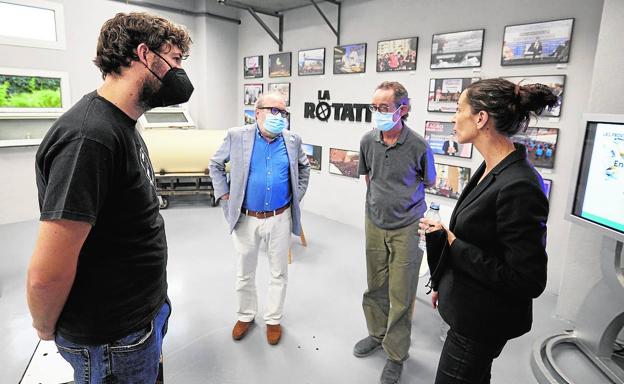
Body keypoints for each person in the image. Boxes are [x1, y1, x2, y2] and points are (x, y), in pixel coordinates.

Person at [27, 12, 193, 383]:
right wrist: (43, 326)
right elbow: (47, 273)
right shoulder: (89, 138)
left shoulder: (122, 123)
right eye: (176, 60)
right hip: (112, 338)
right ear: (146, 55)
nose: (181, 74)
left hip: (141, 317)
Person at [419, 78, 557, 384]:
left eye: (459, 110)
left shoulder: (520, 184)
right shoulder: (491, 167)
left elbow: (527, 280)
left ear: (481, 118)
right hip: (467, 305)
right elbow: (484, 240)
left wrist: (452, 242)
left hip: (481, 322)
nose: (453, 118)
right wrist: (444, 278)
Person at [209, 92, 310, 346]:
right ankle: (245, 316)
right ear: (258, 113)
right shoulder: (236, 136)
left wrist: (296, 196)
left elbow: (304, 168)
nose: (280, 117)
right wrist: (225, 195)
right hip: (246, 218)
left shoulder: (292, 140)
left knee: (279, 272)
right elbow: (215, 164)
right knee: (245, 272)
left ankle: (273, 320)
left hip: (279, 217)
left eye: (283, 112)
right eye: (274, 111)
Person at [354, 81, 436, 384]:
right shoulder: (367, 141)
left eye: (384, 108)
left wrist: (400, 206)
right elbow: (369, 178)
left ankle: (396, 354)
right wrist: (379, 205)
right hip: (374, 222)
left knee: (401, 294)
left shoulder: (418, 145)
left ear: (402, 109)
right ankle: (376, 334)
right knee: (375, 285)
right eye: (374, 108)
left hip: (408, 226)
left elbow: (427, 181)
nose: (377, 113)